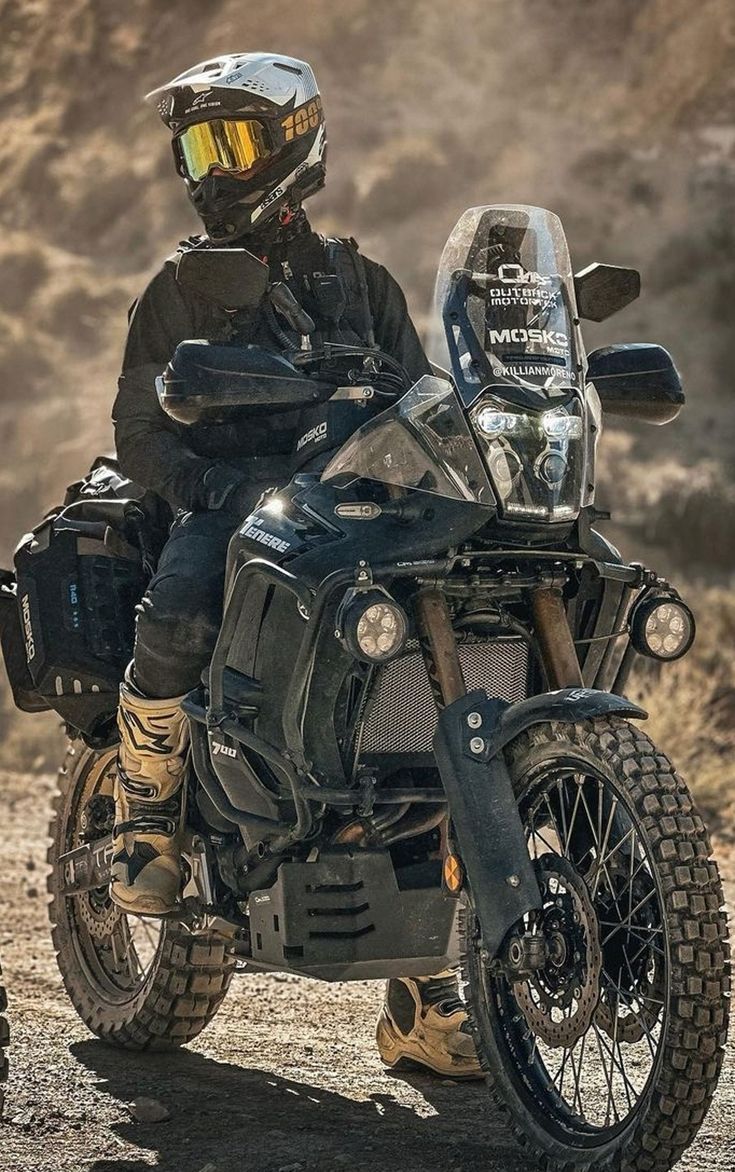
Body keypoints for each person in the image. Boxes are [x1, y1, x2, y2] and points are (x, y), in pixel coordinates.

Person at [110, 52, 480, 1080]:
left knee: (415, 711)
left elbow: (424, 404)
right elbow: (137, 432)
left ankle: (426, 994)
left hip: (349, 521)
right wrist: (216, 491)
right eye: (193, 146)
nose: (204, 170)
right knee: (177, 609)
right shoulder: (178, 288)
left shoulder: (364, 284)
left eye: (226, 142)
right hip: (229, 501)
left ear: (292, 143)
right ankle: (145, 811)